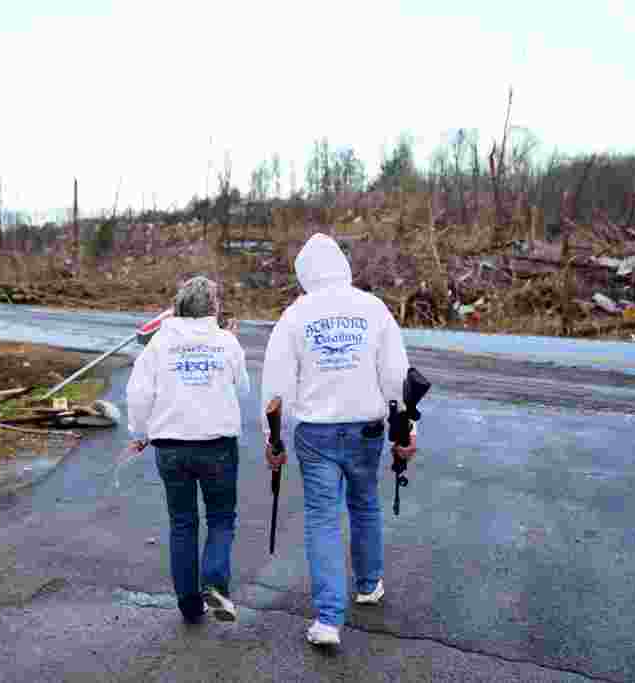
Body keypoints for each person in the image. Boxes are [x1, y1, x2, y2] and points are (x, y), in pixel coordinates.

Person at [261, 233, 417, 647]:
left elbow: (276, 388)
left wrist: (272, 440)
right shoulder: (373, 308)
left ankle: (328, 619)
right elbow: (397, 377)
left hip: (316, 433)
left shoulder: (295, 316)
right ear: (342, 267)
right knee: (365, 504)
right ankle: (368, 584)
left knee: (322, 518)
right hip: (367, 428)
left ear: (304, 274)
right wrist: (407, 432)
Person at [126, 276, 250, 624]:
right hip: (217, 444)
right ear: (214, 307)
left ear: (179, 307)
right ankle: (214, 582)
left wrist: (140, 432)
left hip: (170, 445)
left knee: (182, 523)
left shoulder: (159, 343)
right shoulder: (226, 342)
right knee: (221, 518)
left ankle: (189, 604)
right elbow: (242, 389)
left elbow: (138, 393)